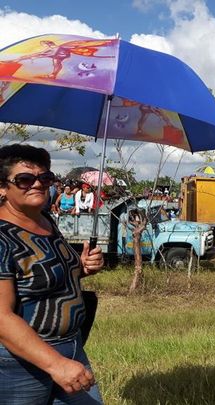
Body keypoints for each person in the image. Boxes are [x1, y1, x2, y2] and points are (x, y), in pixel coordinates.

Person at [0, 144, 104, 403]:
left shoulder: (46, 221)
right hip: (20, 364)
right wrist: (56, 364)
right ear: (2, 188)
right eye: (25, 179)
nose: (37, 184)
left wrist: (82, 267)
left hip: (71, 348)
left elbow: (44, 278)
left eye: (45, 177)